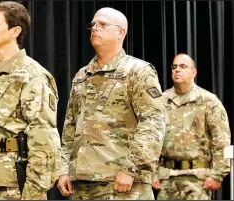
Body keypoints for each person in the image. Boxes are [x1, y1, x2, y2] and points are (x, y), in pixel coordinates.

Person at [57, 7, 165, 200]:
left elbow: (153, 124)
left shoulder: (138, 71)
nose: (95, 28)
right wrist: (63, 169)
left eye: (103, 24)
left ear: (121, 32)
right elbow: (70, 127)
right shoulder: (82, 75)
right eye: (93, 24)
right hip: (82, 183)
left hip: (122, 184)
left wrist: (131, 169)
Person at [0, 1, 61, 200]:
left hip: (14, 187)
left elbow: (44, 141)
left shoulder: (32, 75)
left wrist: (33, 193)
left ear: (15, 31)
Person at [152, 53, 231, 200]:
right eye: (174, 67)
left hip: (197, 179)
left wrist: (218, 174)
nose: (177, 70)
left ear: (193, 72)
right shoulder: (162, 101)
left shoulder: (209, 101)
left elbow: (222, 140)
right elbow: (151, 139)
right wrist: (152, 172)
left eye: (183, 66)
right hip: (167, 178)